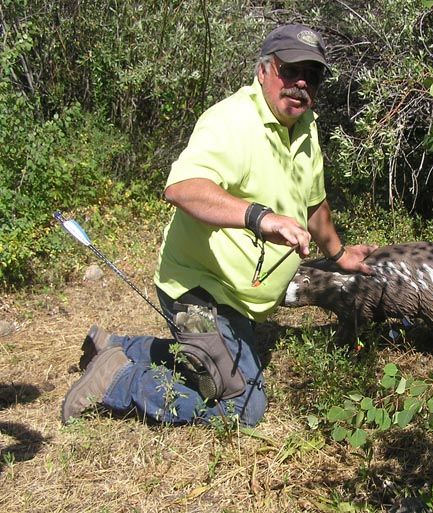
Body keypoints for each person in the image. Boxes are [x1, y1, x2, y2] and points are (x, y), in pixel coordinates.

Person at [62, 24, 377, 427]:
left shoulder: (305, 125)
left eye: (311, 76)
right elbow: (182, 188)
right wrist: (259, 217)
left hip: (237, 301)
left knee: (218, 364)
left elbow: (313, 202)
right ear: (264, 69)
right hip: (196, 291)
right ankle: (115, 381)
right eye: (290, 70)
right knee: (242, 405)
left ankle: (119, 346)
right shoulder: (232, 122)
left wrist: (339, 253)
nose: (300, 83)